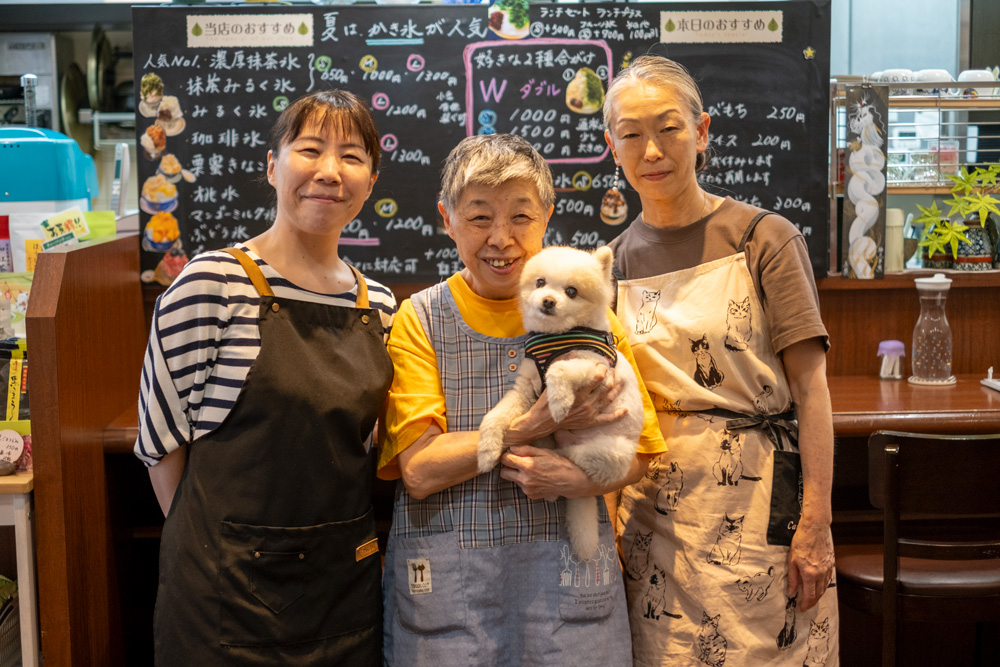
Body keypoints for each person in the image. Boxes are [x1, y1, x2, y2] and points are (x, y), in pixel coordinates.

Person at [378, 133, 667, 665]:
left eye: (520, 217)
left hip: (566, 588)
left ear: (547, 218)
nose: (501, 239)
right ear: (447, 219)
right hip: (452, 591)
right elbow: (418, 469)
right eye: (480, 217)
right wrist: (528, 426)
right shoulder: (419, 318)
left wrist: (575, 479)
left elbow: (643, 449)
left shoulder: (589, 317)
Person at [134, 89, 396, 665]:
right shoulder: (212, 284)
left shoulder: (377, 304)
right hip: (222, 601)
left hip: (342, 593)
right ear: (273, 166)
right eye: (310, 149)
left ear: (370, 182)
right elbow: (161, 446)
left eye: (352, 156)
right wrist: (220, 554)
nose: (330, 171)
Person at [603, 55, 839, 665]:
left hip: (760, 507)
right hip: (654, 518)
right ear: (612, 146)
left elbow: (811, 390)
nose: (651, 150)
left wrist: (816, 524)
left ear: (702, 131)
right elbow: (608, 410)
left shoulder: (764, 238)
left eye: (669, 127)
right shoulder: (613, 263)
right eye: (632, 134)